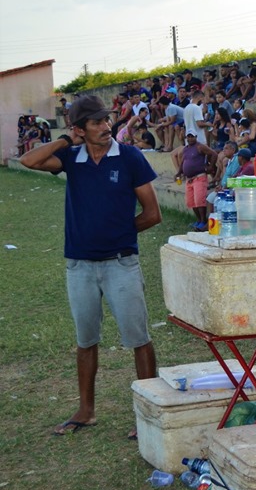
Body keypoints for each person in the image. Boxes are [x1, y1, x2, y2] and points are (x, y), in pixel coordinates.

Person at [20, 95, 163, 439]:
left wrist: (120, 234)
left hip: (120, 264)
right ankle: (86, 411)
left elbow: (152, 214)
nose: (106, 127)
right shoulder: (71, 157)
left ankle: (147, 412)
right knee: (86, 341)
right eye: (96, 122)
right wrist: (67, 140)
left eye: (106, 120)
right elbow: (28, 160)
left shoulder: (129, 157)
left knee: (138, 339)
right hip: (80, 267)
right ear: (80, 129)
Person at [173, 130, 218, 231]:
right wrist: (179, 172)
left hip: (199, 177)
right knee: (191, 201)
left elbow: (213, 154)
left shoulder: (200, 146)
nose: (190, 139)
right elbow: (183, 162)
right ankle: (198, 220)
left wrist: (210, 167)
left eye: (192, 136)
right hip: (189, 179)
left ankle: (203, 221)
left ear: (196, 136)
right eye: (188, 137)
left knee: (199, 200)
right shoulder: (185, 149)